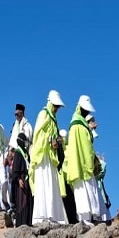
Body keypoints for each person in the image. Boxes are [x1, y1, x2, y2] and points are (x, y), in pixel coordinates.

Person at [29, 90, 68, 224]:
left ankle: (54, 215)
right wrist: (49, 141)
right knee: (43, 182)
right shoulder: (43, 114)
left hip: (51, 156)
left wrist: (56, 141)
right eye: (55, 106)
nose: (57, 109)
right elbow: (38, 135)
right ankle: (42, 215)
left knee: (52, 184)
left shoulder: (53, 119)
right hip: (42, 156)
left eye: (58, 107)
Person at [63, 95, 100, 226]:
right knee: (88, 189)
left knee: (81, 191)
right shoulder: (80, 125)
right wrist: (91, 162)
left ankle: (85, 218)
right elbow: (87, 147)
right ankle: (88, 217)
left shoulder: (73, 124)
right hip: (84, 164)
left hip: (75, 164)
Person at [10, 132, 33, 226]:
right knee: (22, 201)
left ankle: (28, 222)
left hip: (27, 179)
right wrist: (19, 179)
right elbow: (16, 169)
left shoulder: (25, 152)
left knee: (28, 201)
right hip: (21, 180)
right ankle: (22, 223)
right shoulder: (18, 153)